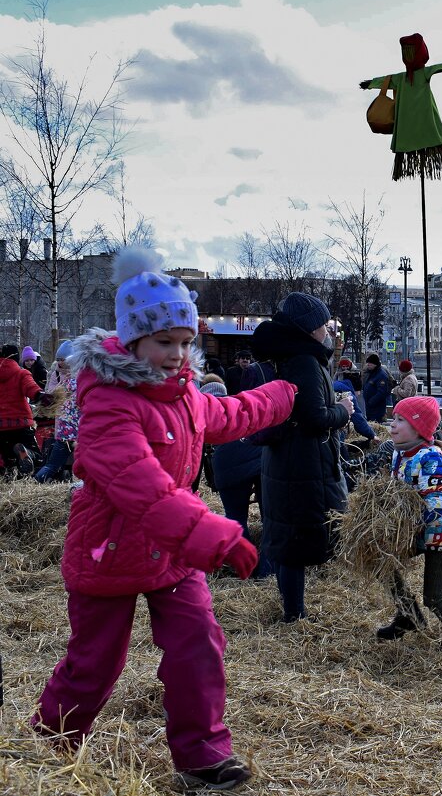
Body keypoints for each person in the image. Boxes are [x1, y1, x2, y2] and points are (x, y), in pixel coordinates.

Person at [31, 247, 296, 792]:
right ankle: (47, 750)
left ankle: (202, 757)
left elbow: (232, 414)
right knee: (95, 664)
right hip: (109, 553)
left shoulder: (185, 396)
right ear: (132, 341)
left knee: (199, 643)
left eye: (185, 342)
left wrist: (285, 392)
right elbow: (143, 489)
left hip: (172, 557)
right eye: (164, 342)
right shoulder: (109, 405)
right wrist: (220, 536)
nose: (178, 355)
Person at [251, 291, 353, 623]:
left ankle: (291, 609)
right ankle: (294, 615)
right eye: (324, 325)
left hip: (282, 460)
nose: (328, 331)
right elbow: (314, 418)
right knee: (294, 541)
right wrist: (343, 410)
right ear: (309, 329)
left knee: (285, 535)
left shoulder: (283, 356)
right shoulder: (305, 361)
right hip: (302, 464)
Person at [376, 396, 442, 649]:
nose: (392, 425)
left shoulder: (431, 458)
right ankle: (409, 615)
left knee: (434, 597)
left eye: (401, 420)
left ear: (419, 427)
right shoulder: (401, 453)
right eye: (393, 419)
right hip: (417, 532)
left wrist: (402, 523)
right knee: (382, 561)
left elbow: (436, 505)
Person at [208, 385, 274, 579]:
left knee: (236, 517)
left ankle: (246, 566)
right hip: (259, 463)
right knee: (269, 517)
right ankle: (267, 570)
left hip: (227, 467)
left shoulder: (203, 416)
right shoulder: (239, 411)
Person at [35, 340, 80, 482]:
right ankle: (40, 480)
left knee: (55, 463)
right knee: (56, 463)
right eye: (58, 360)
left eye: (63, 359)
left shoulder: (78, 377)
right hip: (70, 429)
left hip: (70, 430)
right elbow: (51, 394)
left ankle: (39, 481)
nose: (60, 363)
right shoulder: (62, 376)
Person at [0, 343, 43, 476]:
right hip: (21, 423)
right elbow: (31, 388)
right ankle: (26, 452)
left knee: (9, 460)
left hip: (1, 427)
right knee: (37, 458)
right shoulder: (21, 373)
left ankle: (10, 475)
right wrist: (40, 395)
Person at [361, 353, 392, 422]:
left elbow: (382, 392)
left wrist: (371, 401)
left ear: (375, 364)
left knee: (375, 426)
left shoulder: (381, 375)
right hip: (370, 407)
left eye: (369, 364)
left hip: (376, 408)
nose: (368, 365)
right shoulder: (372, 373)